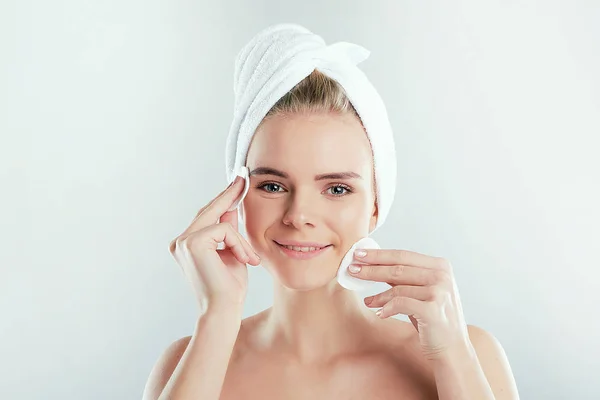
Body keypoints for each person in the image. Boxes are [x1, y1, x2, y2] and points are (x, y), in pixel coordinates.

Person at [142, 35, 520, 400]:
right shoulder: (187, 364)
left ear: (376, 204)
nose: (299, 216)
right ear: (237, 197)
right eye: (273, 186)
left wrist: (451, 356)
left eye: (336, 189)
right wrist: (218, 316)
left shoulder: (467, 354)